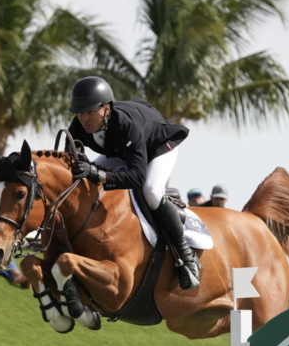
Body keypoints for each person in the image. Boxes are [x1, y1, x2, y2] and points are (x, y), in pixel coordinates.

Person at [66, 76, 198, 289]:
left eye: (90, 112)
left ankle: (186, 254)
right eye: (80, 113)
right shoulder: (78, 125)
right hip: (122, 151)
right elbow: (69, 163)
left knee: (151, 191)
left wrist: (100, 176)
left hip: (158, 147)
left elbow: (137, 177)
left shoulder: (127, 125)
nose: (85, 119)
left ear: (107, 109)